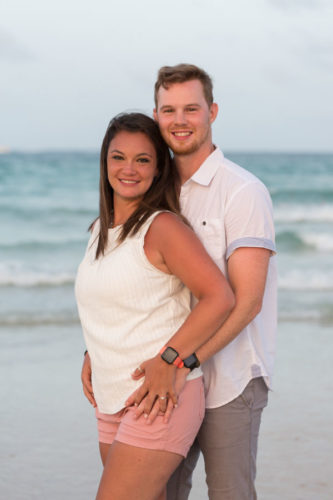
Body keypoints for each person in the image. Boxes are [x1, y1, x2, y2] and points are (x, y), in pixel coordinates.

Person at [82, 64, 277, 499]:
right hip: (160, 383)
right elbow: (135, 281)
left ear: (213, 112)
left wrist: (180, 362)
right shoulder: (155, 185)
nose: (180, 120)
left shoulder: (242, 191)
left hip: (227, 379)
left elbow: (245, 302)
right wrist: (99, 350)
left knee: (230, 494)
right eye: (169, 110)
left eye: (191, 108)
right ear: (156, 115)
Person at [75, 112, 235, 500]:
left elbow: (220, 297)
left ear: (158, 168)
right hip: (112, 397)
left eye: (143, 159)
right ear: (105, 161)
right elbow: (116, 301)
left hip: (158, 398)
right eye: (118, 157)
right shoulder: (101, 229)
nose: (128, 169)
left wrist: (170, 360)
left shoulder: (162, 227)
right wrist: (91, 351)